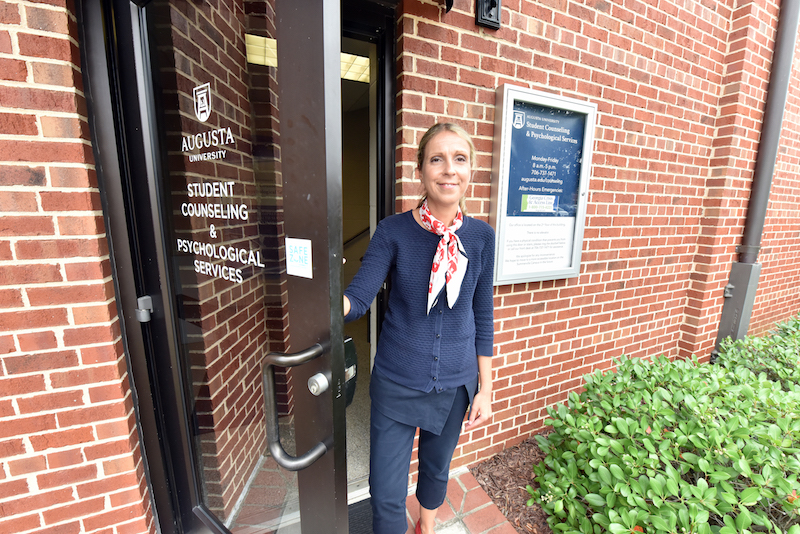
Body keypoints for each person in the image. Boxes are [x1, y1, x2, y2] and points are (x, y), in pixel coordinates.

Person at [343, 123, 495, 534]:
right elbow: (359, 296)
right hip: (396, 380)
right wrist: (325, 305)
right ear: (420, 170)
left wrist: (486, 388)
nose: (449, 169)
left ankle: (426, 525)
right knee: (386, 490)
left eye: (459, 159)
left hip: (455, 382)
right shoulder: (393, 231)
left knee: (436, 467)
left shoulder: (481, 237)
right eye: (437, 159)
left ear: (471, 170)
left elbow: (483, 312)